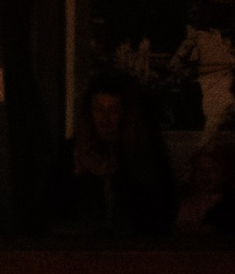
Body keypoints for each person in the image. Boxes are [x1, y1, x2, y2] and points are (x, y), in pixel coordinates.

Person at [53, 80, 172, 234]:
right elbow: (53, 209)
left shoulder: (142, 152)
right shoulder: (71, 152)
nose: (105, 118)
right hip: (81, 246)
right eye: (98, 109)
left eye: (113, 110)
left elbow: (158, 208)